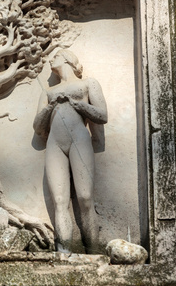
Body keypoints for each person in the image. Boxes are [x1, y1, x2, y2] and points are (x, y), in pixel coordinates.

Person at [33, 49, 107, 253]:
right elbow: (38, 128)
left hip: (79, 140)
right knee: (59, 201)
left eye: (55, 56)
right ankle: (63, 252)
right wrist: (50, 108)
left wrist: (77, 105)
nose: (50, 59)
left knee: (85, 197)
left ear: (66, 59)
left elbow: (102, 115)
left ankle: (93, 252)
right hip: (54, 145)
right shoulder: (47, 92)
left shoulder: (87, 84)